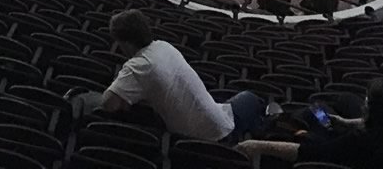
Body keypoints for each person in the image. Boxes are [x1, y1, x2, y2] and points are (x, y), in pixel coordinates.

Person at [71, 10, 268, 144]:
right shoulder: (164, 47)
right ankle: (265, 125)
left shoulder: (137, 67)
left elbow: (108, 104)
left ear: (126, 43)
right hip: (216, 124)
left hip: (210, 135)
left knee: (247, 99)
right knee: (251, 98)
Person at [236, 78, 383, 168]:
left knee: (315, 112)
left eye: (367, 103)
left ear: (374, 111)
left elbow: (308, 154)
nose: (363, 105)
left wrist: (257, 146)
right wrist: (347, 122)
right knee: (344, 100)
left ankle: (274, 121)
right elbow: (380, 123)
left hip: (346, 155)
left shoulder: (360, 141)